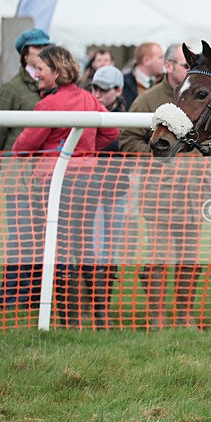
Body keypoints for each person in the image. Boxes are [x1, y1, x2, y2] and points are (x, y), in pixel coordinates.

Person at [11, 46, 119, 328]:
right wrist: (86, 150)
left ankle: (69, 321)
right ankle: (100, 318)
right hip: (87, 182)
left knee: (58, 249)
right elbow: (111, 131)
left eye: (41, 69)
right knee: (85, 248)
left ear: (57, 72)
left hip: (55, 183)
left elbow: (23, 146)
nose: (36, 74)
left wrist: (60, 150)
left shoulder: (48, 104)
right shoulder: (88, 98)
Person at [119, 43, 209, 329]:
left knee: (189, 260)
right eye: (185, 65)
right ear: (168, 66)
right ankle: (156, 317)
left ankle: (184, 316)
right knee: (157, 259)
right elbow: (127, 139)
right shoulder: (148, 100)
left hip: (194, 194)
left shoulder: (203, 97)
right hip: (158, 195)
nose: (191, 70)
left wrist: (200, 154)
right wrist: (157, 155)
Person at [0, 28, 54, 309]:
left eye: (46, 46)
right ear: (25, 54)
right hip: (19, 174)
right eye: (37, 48)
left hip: (46, 175)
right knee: (21, 237)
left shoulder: (52, 85)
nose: (43, 51)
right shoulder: (13, 88)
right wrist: (3, 161)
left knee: (42, 237)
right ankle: (12, 296)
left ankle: (35, 297)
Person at [89, 65, 129, 311]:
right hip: (90, 192)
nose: (98, 94)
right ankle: (89, 306)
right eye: (95, 88)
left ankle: (102, 307)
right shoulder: (86, 113)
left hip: (116, 191)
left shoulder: (127, 117)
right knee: (94, 251)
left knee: (110, 251)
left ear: (118, 90)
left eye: (103, 90)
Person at [122, 42, 164, 110]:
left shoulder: (165, 80)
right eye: (160, 57)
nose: (164, 61)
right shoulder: (124, 83)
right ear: (146, 60)